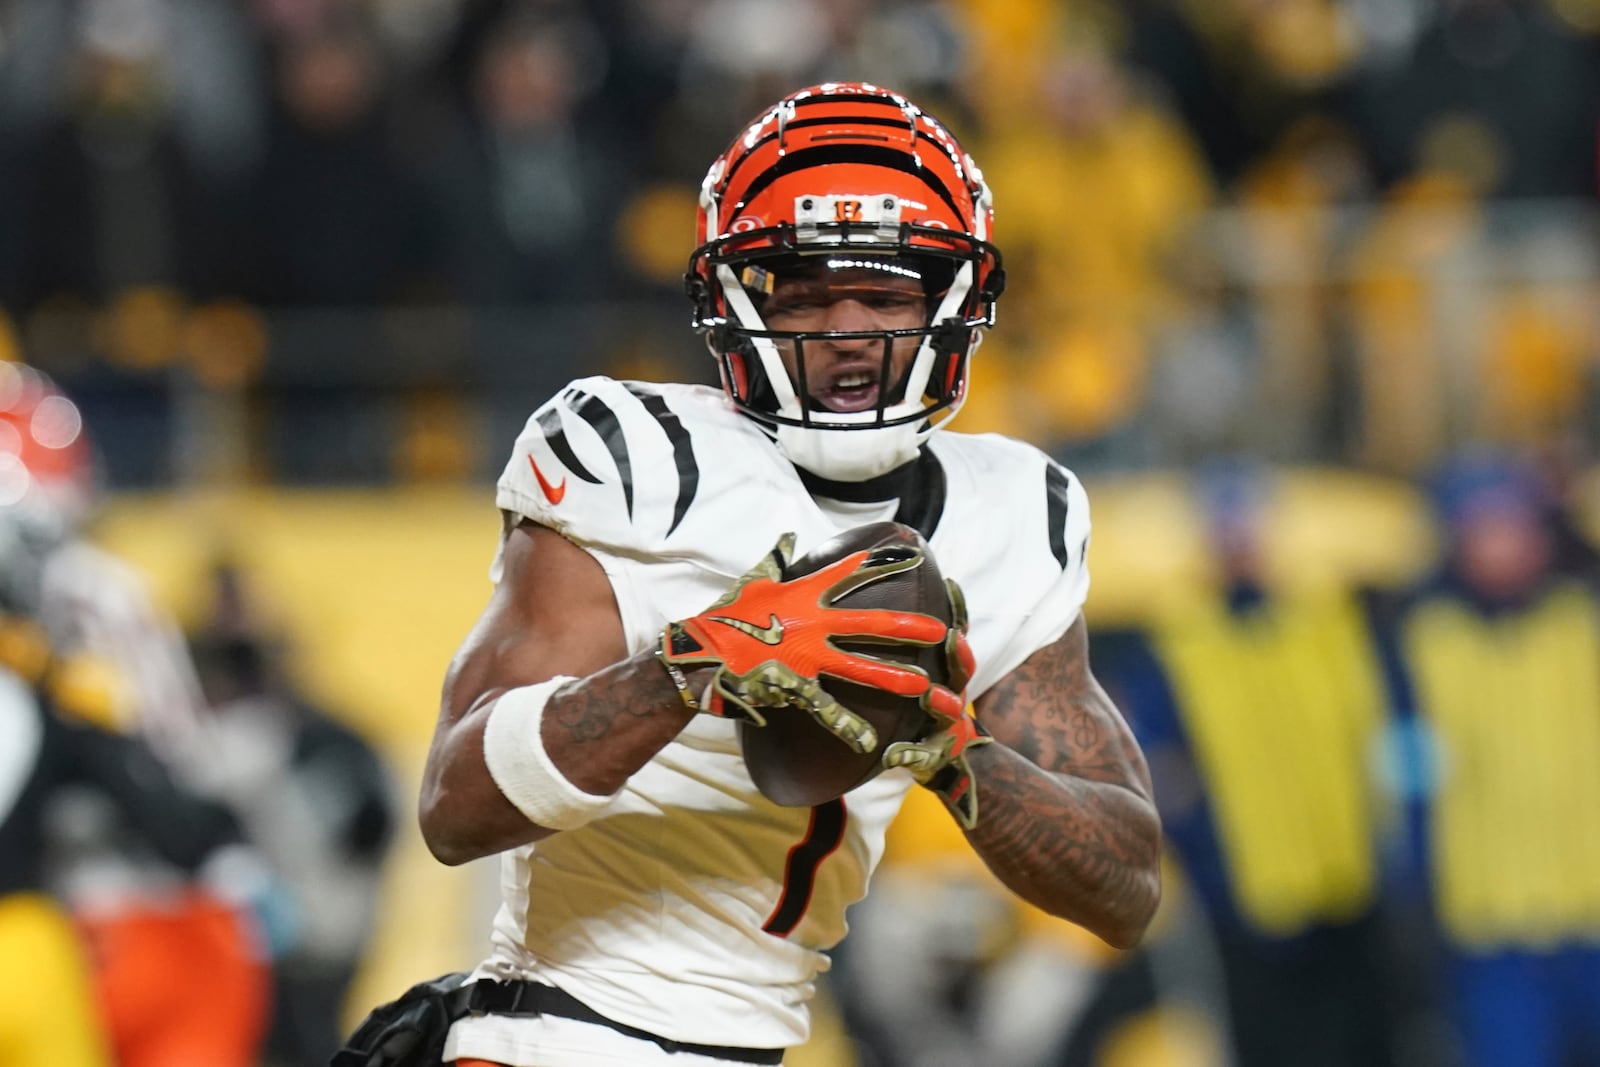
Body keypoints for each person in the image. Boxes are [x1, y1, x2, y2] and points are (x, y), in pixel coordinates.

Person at [415, 82, 1162, 1067]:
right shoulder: (635, 455)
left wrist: (951, 752)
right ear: (731, 304)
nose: (845, 328)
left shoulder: (1016, 509)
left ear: (952, 301)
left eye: (885, 292)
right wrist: (690, 663)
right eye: (803, 293)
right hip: (563, 1032)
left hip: (761, 1041)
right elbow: (454, 806)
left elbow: (1125, 882)